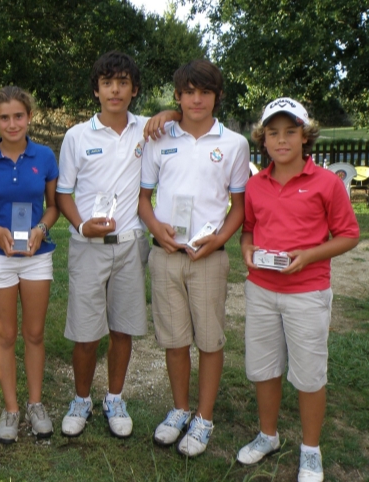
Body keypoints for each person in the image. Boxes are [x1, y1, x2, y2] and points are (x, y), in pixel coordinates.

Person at [56, 51, 179, 439]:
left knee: (122, 328)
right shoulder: (77, 136)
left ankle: (113, 397)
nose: (115, 89)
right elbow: (63, 194)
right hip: (88, 245)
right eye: (108, 82)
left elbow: (188, 116)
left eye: (123, 82)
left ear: (134, 89)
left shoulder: (147, 129)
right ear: (96, 90)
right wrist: (80, 225)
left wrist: (171, 113)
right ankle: (81, 400)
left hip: (130, 244)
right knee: (85, 332)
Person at [235, 98, 359, 481]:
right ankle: (268, 435)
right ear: (263, 139)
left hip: (307, 292)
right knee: (264, 369)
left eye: (291, 131)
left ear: (306, 137)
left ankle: (310, 450)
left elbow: (349, 235)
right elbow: (250, 229)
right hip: (261, 290)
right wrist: (246, 248)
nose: (282, 140)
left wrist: (309, 255)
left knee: (309, 375)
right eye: (273, 133)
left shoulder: (325, 183)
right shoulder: (256, 184)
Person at [138, 59, 250, 457]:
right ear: (178, 96)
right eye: (188, 92)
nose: (196, 99)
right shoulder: (159, 139)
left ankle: (203, 418)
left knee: (209, 339)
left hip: (209, 256)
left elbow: (239, 206)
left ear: (217, 96)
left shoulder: (234, 143)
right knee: (173, 339)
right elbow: (143, 198)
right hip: (166, 253)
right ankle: (180, 409)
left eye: (204, 92)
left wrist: (219, 238)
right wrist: (157, 230)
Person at [0, 86, 59, 444]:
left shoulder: (45, 156)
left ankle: (35, 404)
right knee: (5, 335)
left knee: (34, 334)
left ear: (29, 117)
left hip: (36, 257)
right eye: (4, 117)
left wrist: (41, 228)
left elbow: (53, 206)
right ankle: (11, 409)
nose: (12, 124)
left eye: (18, 116)